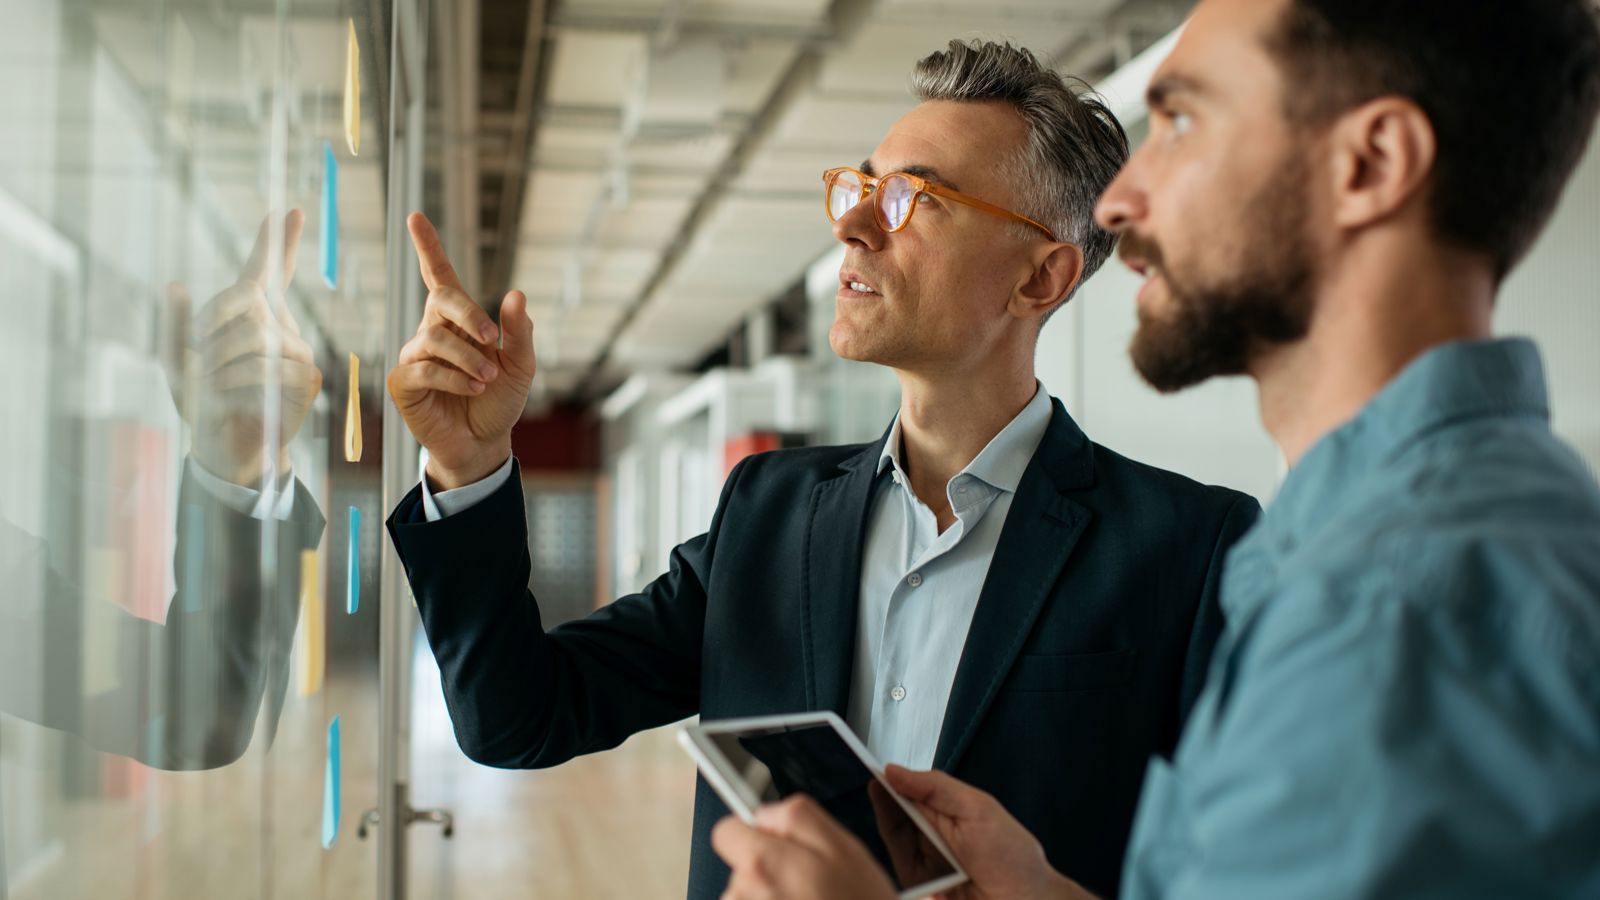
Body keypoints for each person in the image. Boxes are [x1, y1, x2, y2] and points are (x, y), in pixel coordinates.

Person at [711, 0, 1600, 897]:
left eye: (1179, 121)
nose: (1123, 203)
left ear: (1369, 165)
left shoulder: (1409, 602)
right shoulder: (1353, 553)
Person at [384, 41, 1261, 899]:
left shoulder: (1192, 549)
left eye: (913, 197)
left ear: (1041, 278)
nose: (852, 222)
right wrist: (469, 466)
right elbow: (517, 717)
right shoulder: (768, 512)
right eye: (863, 186)